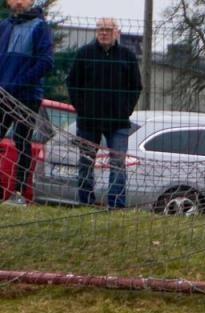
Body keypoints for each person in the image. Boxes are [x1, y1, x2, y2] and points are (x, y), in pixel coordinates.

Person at [64, 19, 142, 209]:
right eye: (100, 29)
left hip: (118, 121)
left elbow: (136, 86)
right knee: (86, 162)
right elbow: (72, 83)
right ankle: (85, 202)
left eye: (108, 29)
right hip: (88, 120)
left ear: (117, 32)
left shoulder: (127, 56)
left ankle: (116, 205)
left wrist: (125, 110)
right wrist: (82, 108)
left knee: (117, 164)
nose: (104, 33)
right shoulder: (84, 53)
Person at [0, 0, 52, 206]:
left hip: (27, 97)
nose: (19, 2)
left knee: (22, 142)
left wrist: (19, 83)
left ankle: (19, 192)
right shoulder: (4, 26)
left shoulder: (40, 27)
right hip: (2, 95)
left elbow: (46, 62)